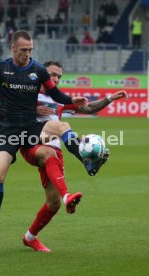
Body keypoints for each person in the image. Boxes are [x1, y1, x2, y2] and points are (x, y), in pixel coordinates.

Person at [0, 30, 90, 246]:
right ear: (13, 48)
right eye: (24, 50)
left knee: (62, 126)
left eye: (30, 50)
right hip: (8, 131)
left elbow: (56, 95)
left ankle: (85, 159)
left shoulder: (38, 70)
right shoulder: (1, 67)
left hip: (31, 128)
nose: (27, 54)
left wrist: (72, 99)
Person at [20, 61, 128, 252]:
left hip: (54, 148)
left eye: (59, 76)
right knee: (61, 133)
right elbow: (9, 110)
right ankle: (83, 163)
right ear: (43, 74)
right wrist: (31, 110)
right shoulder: (29, 92)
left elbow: (88, 108)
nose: (56, 79)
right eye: (52, 74)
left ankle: (30, 237)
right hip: (32, 142)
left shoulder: (59, 98)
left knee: (52, 204)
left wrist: (110, 98)